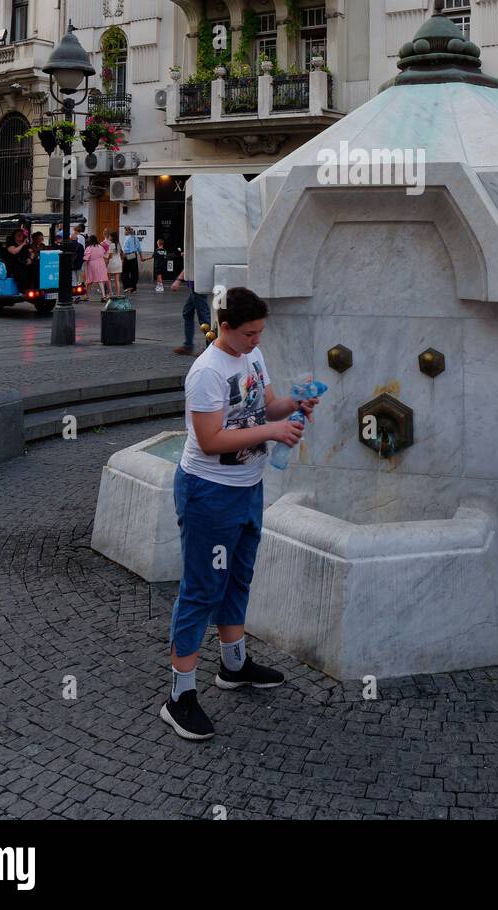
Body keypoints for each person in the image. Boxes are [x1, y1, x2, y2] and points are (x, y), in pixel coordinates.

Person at [160, 286, 314, 740]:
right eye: (250, 333)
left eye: (261, 332)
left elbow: (264, 405)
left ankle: (233, 665)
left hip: (247, 488)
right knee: (201, 589)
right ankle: (179, 697)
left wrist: (294, 405)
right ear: (225, 327)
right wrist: (271, 429)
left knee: (238, 577)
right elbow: (209, 439)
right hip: (208, 492)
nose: (257, 341)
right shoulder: (205, 371)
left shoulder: (252, 356)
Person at [171, 264, 212, 355]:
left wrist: (178, 280)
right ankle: (188, 345)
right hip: (195, 285)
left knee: (204, 318)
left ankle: (210, 348)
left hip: (198, 285)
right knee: (187, 312)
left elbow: (191, 264)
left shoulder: (194, 250)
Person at [82, 235, 110, 300]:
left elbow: (86, 257)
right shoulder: (100, 247)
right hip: (101, 263)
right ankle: (103, 295)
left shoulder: (89, 248)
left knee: (89, 280)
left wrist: (83, 261)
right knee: (100, 280)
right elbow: (104, 254)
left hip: (92, 264)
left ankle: (86, 295)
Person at [122, 227, 141, 293]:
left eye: (125, 230)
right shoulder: (136, 238)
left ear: (128, 231)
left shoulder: (127, 238)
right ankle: (133, 287)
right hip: (134, 255)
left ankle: (127, 286)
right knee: (134, 271)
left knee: (125, 272)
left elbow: (125, 250)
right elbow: (139, 248)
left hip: (128, 255)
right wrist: (141, 257)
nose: (124, 232)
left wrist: (122, 258)